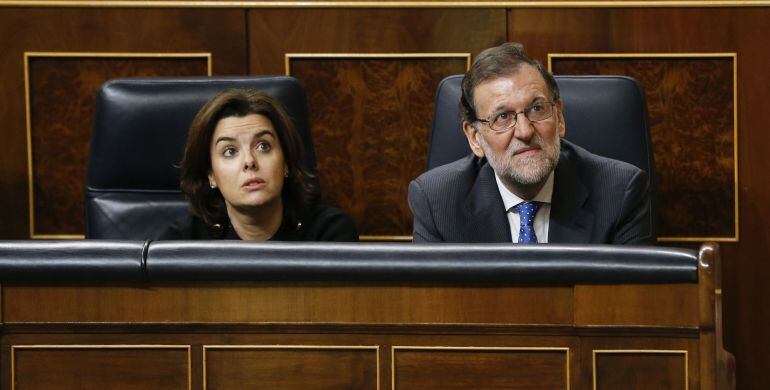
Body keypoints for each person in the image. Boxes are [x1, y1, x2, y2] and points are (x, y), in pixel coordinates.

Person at [408, 43, 654, 244]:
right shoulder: (437, 202)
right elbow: (435, 304)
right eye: (502, 117)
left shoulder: (619, 193)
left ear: (559, 117)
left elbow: (629, 303)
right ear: (475, 138)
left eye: (537, 108)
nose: (525, 131)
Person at [159, 89, 358, 241]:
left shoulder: (329, 234)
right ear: (211, 175)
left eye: (263, 146)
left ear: (286, 162)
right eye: (230, 151)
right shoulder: (183, 243)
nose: (249, 161)